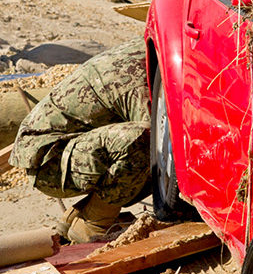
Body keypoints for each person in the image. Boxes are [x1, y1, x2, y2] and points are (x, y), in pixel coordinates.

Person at [10, 38, 150, 243]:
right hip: (50, 162)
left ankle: (80, 214)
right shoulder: (137, 79)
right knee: (144, 139)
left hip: (64, 149)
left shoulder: (149, 47)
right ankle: (95, 224)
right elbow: (161, 148)